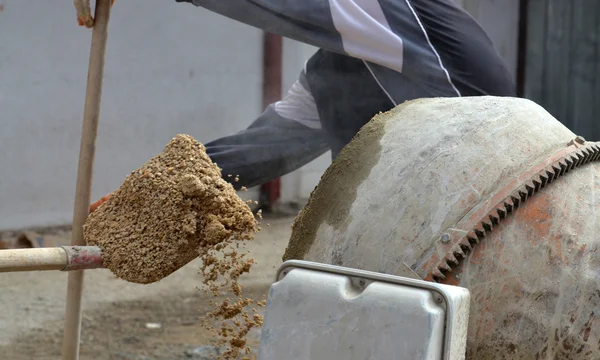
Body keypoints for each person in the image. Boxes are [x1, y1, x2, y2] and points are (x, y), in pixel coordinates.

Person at [90, 0, 515, 210]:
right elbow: (269, 146)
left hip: (484, 186)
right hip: (402, 213)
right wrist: (160, 192)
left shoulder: (390, 11)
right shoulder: (337, 72)